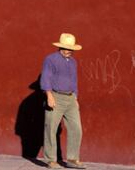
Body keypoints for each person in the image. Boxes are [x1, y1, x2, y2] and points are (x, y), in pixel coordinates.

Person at [40, 33, 86, 169]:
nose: (68, 51)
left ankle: (72, 159)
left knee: (76, 129)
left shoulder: (73, 62)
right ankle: (51, 160)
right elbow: (46, 77)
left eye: (70, 48)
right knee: (51, 128)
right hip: (56, 97)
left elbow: (74, 80)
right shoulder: (51, 59)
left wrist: (75, 97)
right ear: (60, 47)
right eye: (66, 48)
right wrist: (49, 95)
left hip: (71, 98)